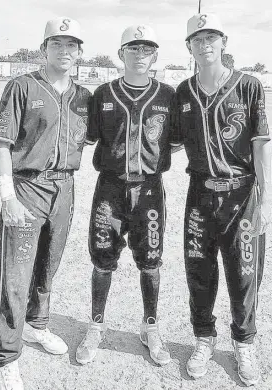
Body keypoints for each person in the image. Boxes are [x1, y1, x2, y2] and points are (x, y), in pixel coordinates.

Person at [171, 13, 272, 386]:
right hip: (200, 195)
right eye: (197, 39)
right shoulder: (183, 91)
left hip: (242, 194)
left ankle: (244, 342)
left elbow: (262, 146)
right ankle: (203, 338)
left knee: (245, 275)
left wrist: (268, 201)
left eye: (211, 36)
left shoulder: (249, 85)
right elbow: (172, 141)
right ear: (189, 47)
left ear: (224, 41)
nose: (205, 43)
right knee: (199, 270)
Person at [0, 17, 91, 390]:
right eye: (57, 44)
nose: (65, 51)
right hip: (27, 187)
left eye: (72, 45)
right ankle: (6, 356)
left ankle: (37, 326)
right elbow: (1, 144)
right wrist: (7, 198)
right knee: (15, 275)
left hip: (65, 187)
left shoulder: (84, 97)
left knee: (48, 266)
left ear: (80, 52)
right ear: (43, 48)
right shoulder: (22, 86)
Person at [76, 25, 176, 366]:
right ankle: (96, 324)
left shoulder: (168, 95)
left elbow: (173, 141)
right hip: (110, 187)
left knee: (150, 260)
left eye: (147, 48)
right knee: (103, 257)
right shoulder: (103, 93)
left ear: (155, 55)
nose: (140, 54)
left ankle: (150, 326)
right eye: (133, 48)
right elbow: (89, 136)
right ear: (121, 54)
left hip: (149, 189)